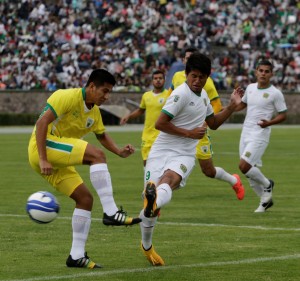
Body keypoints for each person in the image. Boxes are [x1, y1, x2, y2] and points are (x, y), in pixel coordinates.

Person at [28, 69, 141, 269]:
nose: (106, 97)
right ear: (91, 86)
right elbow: (41, 122)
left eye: (109, 93)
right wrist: (44, 158)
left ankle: (76, 256)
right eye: (104, 91)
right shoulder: (66, 96)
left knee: (85, 199)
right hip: (42, 148)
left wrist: (119, 151)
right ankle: (111, 212)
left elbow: (102, 135)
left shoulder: (95, 112)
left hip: (56, 157)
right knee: (96, 155)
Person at [139, 52, 244, 266]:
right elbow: (160, 123)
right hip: (161, 150)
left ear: (208, 77)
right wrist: (188, 133)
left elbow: (213, 123)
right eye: (193, 76)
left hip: (184, 154)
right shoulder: (180, 94)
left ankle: (154, 199)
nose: (197, 81)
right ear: (186, 75)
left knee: (168, 181)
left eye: (201, 77)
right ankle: (147, 245)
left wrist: (232, 107)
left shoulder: (203, 95)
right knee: (152, 207)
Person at [169, 47, 245, 200]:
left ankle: (233, 180)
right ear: (183, 61)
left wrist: (204, 123)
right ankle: (156, 200)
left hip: (198, 133)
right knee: (169, 170)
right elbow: (169, 97)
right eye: (187, 58)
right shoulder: (176, 77)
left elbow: (215, 106)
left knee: (208, 171)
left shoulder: (206, 83)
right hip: (178, 132)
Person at [234, 59, 287, 213]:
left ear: (271, 74)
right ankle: (264, 202)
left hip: (260, 134)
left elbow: (283, 115)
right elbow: (242, 105)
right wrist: (230, 105)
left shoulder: (275, 93)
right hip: (246, 133)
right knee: (250, 173)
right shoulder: (250, 88)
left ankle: (267, 184)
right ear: (256, 72)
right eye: (261, 70)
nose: (263, 74)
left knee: (244, 166)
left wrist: (268, 123)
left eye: (266, 71)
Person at [120, 70, 170, 166]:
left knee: (162, 164)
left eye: (160, 78)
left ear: (164, 80)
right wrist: (128, 116)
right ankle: (150, 181)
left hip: (163, 135)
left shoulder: (169, 95)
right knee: (146, 163)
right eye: (155, 78)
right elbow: (140, 110)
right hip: (147, 135)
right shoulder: (146, 95)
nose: (158, 80)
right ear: (152, 81)